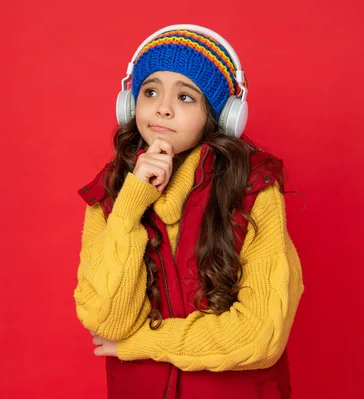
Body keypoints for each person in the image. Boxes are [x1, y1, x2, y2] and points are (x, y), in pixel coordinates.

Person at [74, 24, 304, 399]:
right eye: (150, 91)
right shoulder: (113, 193)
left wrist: (140, 344)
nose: (163, 107)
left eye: (185, 97)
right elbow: (106, 319)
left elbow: (261, 334)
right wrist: (131, 204)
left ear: (219, 115)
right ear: (131, 105)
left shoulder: (253, 188)